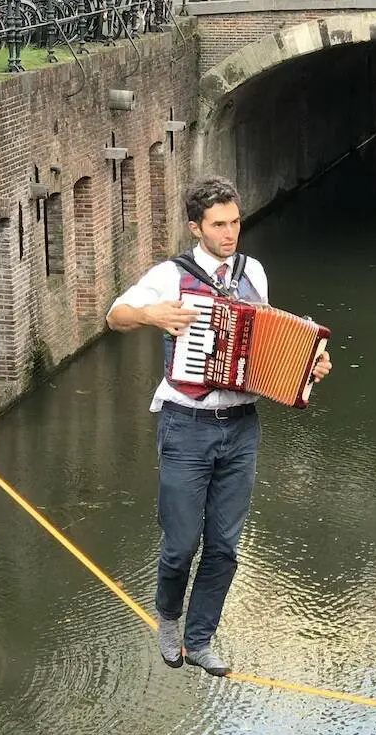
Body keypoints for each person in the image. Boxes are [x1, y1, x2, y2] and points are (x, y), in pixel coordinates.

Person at [106, 176, 332, 677]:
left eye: (235, 223)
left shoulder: (254, 272)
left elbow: (265, 344)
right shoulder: (172, 275)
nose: (230, 234)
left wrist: (308, 365)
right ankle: (168, 617)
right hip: (186, 426)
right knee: (181, 544)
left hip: (242, 427)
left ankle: (201, 638)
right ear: (196, 228)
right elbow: (115, 317)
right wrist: (150, 314)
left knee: (225, 546)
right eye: (219, 225)